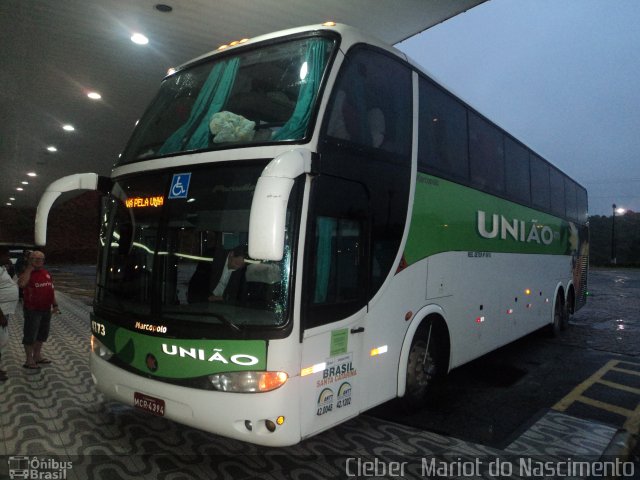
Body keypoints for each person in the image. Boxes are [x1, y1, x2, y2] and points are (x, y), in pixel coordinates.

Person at [17, 250, 60, 370]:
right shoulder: (26, 273)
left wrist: (55, 305)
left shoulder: (46, 273)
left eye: (40, 259)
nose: (38, 260)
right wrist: (29, 269)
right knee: (30, 335)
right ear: (29, 260)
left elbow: (51, 290)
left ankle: (37, 356)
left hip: (46, 309)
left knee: (42, 334)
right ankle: (28, 360)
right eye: (34, 258)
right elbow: (21, 284)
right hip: (32, 310)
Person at [0, 247, 19, 380]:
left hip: (5, 311)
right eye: (6, 255)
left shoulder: (2, 269)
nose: (8, 258)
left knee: (2, 341)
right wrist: (0, 316)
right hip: (0, 313)